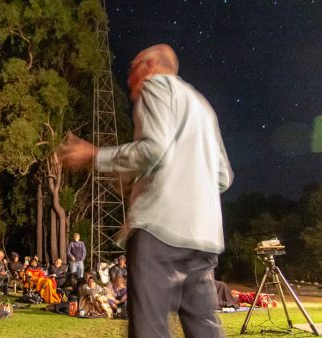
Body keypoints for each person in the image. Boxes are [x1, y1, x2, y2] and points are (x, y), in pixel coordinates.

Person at [59, 44, 233, 337]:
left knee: (149, 328)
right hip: (203, 236)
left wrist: (94, 156)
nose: (129, 78)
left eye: (133, 68)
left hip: (159, 229)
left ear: (150, 66)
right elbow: (223, 177)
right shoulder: (203, 107)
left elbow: (155, 148)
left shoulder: (156, 86)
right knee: (204, 327)